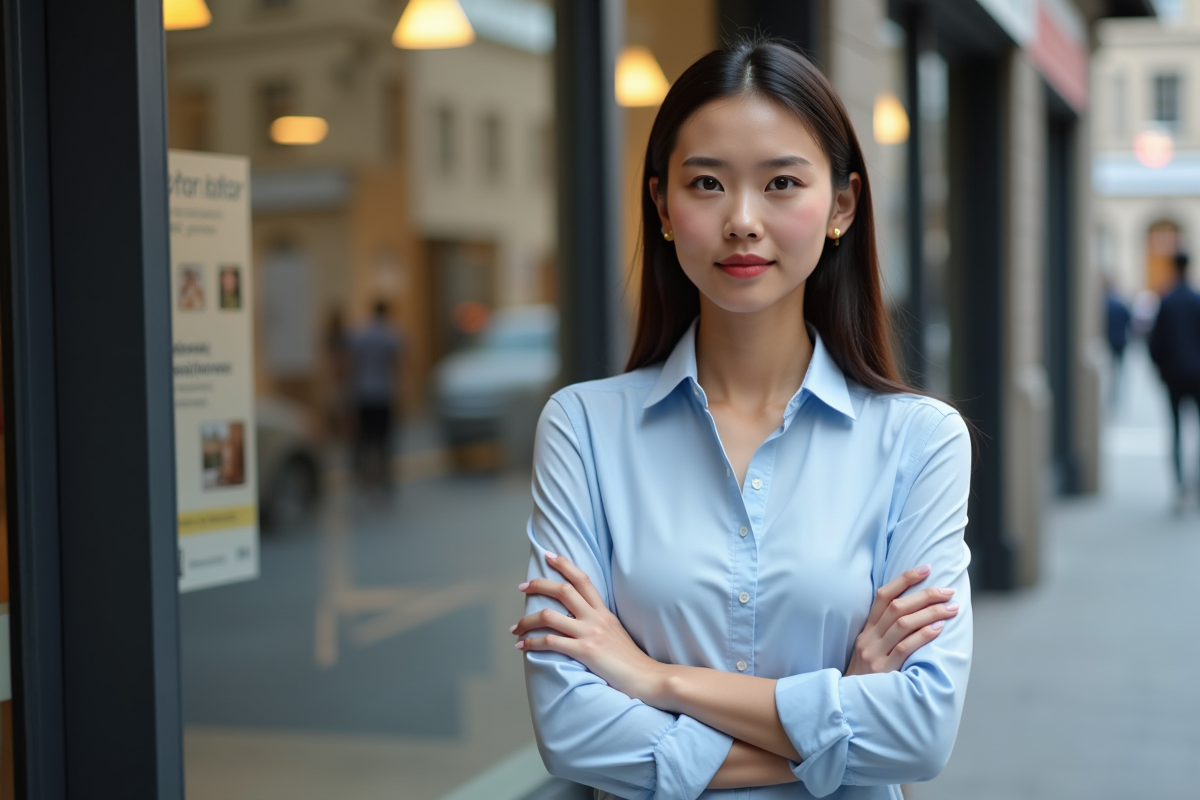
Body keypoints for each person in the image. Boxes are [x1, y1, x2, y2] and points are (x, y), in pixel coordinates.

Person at [510, 39, 971, 798]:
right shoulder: (584, 429)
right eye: (708, 184)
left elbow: (920, 732)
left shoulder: (918, 441)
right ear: (662, 206)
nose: (744, 221)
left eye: (783, 182)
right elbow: (570, 730)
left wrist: (654, 678)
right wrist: (834, 720)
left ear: (842, 205)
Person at [1148, 251, 1200, 510]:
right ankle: (1197, 483)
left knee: (1177, 430)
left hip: (1174, 375)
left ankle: (1180, 486)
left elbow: (1155, 342)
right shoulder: (1196, 300)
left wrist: (1160, 370)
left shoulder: (1166, 301)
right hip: (1198, 375)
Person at [348, 301, 403, 490]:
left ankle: (362, 475)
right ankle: (385, 476)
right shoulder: (390, 335)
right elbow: (398, 364)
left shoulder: (362, 335)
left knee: (364, 438)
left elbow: (353, 363)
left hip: (364, 393)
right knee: (384, 439)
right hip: (383, 393)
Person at [1104, 278, 1132, 408]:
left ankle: (1111, 392)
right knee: (1119, 368)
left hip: (1109, 340)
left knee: (1111, 367)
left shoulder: (1105, 304)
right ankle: (1116, 391)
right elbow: (1129, 320)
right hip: (1120, 341)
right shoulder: (1121, 304)